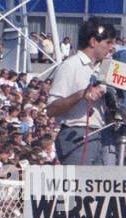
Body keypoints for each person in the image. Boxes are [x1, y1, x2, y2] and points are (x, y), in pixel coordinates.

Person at [46, 18, 118, 164]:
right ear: (93, 42)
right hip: (76, 134)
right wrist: (81, 95)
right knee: (80, 185)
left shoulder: (102, 70)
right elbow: (51, 109)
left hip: (100, 135)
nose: (112, 48)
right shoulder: (70, 66)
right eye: (108, 42)